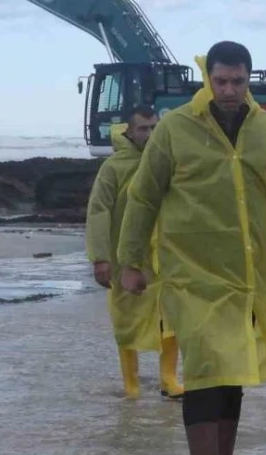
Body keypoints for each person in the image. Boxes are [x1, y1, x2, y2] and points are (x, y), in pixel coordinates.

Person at [117, 41, 266, 455]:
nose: (230, 90)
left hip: (246, 277)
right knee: (206, 373)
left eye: (238, 81)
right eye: (221, 80)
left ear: (248, 80)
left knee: (233, 377)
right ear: (207, 78)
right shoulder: (175, 130)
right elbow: (143, 197)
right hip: (189, 274)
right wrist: (130, 260)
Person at [86, 105, 184, 400]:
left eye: (155, 127)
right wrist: (100, 257)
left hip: (165, 257)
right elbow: (99, 211)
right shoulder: (113, 168)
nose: (151, 134)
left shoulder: (168, 162)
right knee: (127, 319)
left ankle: (169, 378)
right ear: (129, 131)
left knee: (171, 317)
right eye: (144, 128)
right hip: (125, 258)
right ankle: (132, 384)